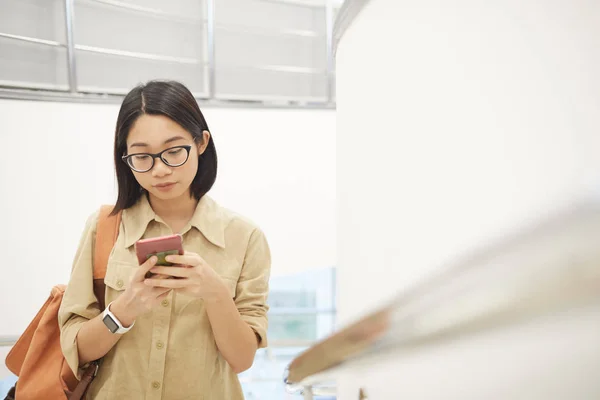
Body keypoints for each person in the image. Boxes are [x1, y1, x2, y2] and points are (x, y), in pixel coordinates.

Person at [58, 80, 271, 399]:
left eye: (174, 151)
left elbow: (241, 360)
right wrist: (124, 310)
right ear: (125, 158)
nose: (160, 170)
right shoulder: (103, 227)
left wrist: (215, 293)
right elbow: (78, 350)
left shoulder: (244, 237)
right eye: (142, 157)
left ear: (201, 143)